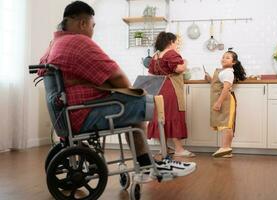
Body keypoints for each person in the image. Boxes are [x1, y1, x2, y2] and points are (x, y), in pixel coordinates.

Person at [39, 1, 196, 177]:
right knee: (142, 103)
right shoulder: (79, 42)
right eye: (93, 25)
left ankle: (146, 162)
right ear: (82, 23)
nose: (92, 31)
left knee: (135, 106)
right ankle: (150, 163)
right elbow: (120, 79)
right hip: (82, 114)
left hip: (67, 115)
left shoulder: (54, 44)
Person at [147, 32, 195, 157]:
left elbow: (150, 75)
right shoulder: (171, 53)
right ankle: (179, 149)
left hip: (158, 89)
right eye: (175, 42)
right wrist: (185, 62)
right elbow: (178, 69)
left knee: (160, 117)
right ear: (170, 42)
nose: (176, 44)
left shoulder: (156, 56)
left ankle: (164, 148)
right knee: (173, 116)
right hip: (170, 89)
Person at [205, 49, 246, 158]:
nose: (224, 59)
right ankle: (226, 150)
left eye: (227, 57)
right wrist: (210, 79)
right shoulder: (223, 72)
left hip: (225, 100)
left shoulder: (227, 72)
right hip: (224, 100)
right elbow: (219, 84)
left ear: (233, 62)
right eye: (223, 57)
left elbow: (226, 88)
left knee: (227, 124)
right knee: (225, 124)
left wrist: (218, 102)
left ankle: (226, 147)